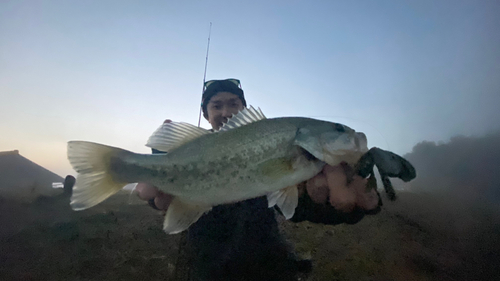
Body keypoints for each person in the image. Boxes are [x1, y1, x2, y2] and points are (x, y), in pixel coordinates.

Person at [135, 79, 381, 281]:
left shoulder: (309, 164)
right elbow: (164, 199)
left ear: (244, 108)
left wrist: (350, 206)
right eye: (216, 105)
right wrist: (158, 193)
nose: (225, 112)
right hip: (208, 272)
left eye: (233, 103)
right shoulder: (188, 151)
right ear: (206, 114)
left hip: (270, 270)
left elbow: (301, 207)